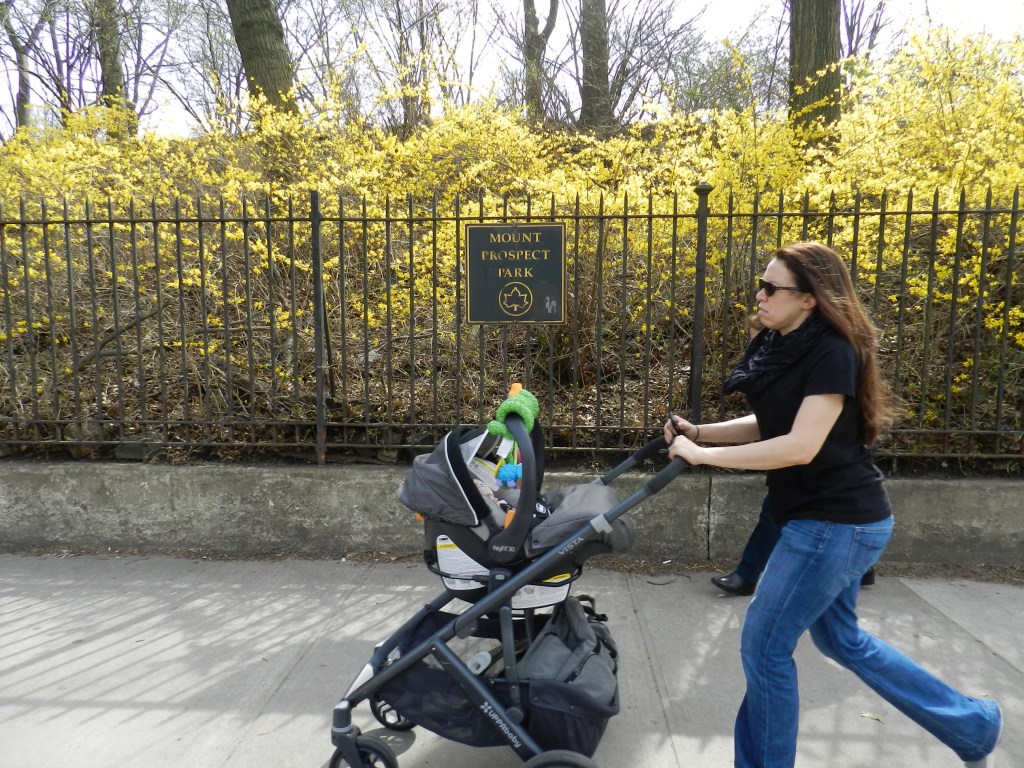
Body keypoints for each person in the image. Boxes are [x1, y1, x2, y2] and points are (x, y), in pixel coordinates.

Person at [664, 243, 1002, 768]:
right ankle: (972, 724)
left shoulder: (831, 352)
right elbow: (775, 424)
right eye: (762, 282)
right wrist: (700, 432)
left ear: (810, 300)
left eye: (772, 288)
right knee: (841, 640)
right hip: (821, 520)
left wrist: (703, 456)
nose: (760, 294)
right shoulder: (782, 345)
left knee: (765, 648)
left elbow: (800, 446)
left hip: (834, 524)